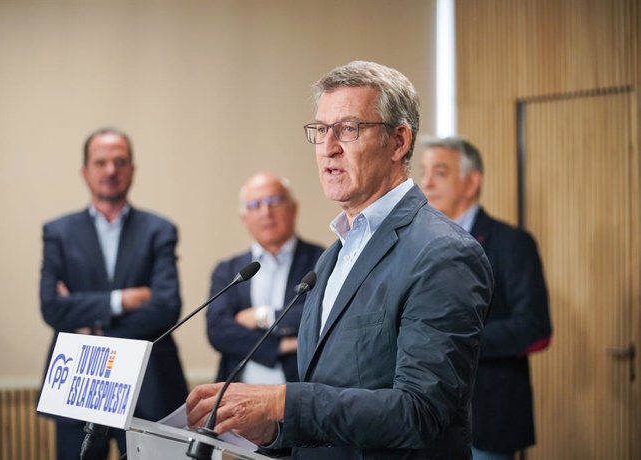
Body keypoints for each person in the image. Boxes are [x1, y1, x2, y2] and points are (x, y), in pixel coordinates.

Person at [186, 61, 494, 459]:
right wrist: (272, 430)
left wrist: (283, 402)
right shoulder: (334, 256)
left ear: (399, 141)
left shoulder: (442, 252)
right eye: (321, 130)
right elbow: (329, 401)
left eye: (349, 129)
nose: (329, 147)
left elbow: (421, 413)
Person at [39, 127, 189, 459]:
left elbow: (166, 307)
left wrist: (88, 319)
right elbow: (52, 309)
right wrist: (121, 300)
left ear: (132, 170)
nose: (110, 170)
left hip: (147, 386)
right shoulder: (58, 233)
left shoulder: (159, 230)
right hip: (76, 387)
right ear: (85, 171)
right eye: (101, 162)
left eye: (120, 161)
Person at [419, 136, 552, 460]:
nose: (425, 182)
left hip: (488, 418)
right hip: (424, 415)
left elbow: (535, 328)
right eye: (423, 172)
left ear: (471, 182)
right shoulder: (419, 243)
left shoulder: (511, 243)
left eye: (439, 172)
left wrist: (457, 340)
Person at [206, 172, 324, 384]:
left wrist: (263, 316)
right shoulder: (228, 270)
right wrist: (280, 346)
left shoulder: (322, 260)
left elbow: (319, 315)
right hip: (235, 393)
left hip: (300, 394)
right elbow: (218, 330)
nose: (266, 212)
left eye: (275, 201)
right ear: (244, 218)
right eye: (255, 205)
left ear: (293, 208)